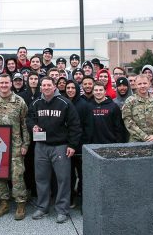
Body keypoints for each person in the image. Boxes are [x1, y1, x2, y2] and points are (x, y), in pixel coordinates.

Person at [27, 77, 81, 224]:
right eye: (43, 85)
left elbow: (75, 125)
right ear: (41, 87)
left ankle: (62, 210)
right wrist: (33, 126)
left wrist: (72, 145)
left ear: (54, 86)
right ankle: (42, 207)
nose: (46, 87)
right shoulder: (36, 103)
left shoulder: (64, 103)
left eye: (48, 85)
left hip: (60, 146)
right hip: (41, 146)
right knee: (41, 178)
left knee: (63, 179)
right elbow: (29, 118)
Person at [0, 74, 30, 220]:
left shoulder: (19, 101)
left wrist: (25, 144)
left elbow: (24, 125)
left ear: (11, 83)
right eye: (1, 83)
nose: (4, 85)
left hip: (16, 144)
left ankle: (20, 204)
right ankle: (4, 203)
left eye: (6, 82)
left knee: (17, 175)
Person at [63, 80, 91, 209]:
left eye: (72, 88)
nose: (70, 90)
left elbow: (87, 126)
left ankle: (84, 201)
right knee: (68, 175)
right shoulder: (62, 102)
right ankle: (70, 199)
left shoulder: (84, 105)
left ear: (76, 89)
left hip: (80, 146)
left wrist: (82, 143)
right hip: (65, 145)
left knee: (82, 174)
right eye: (68, 87)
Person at [122, 74, 153, 142]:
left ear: (149, 84)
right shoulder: (130, 101)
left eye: (145, 83)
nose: (142, 86)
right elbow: (128, 121)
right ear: (136, 85)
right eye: (139, 84)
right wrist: (144, 137)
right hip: (136, 141)